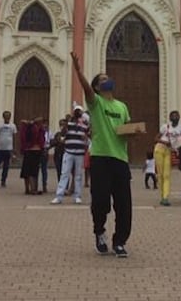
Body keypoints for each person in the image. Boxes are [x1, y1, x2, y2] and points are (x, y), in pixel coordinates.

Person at [71, 51, 132, 258]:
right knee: (100, 201)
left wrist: (133, 132)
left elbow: (124, 129)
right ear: (97, 87)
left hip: (121, 159)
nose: (108, 81)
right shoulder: (95, 102)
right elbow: (86, 89)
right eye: (103, 80)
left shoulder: (122, 106)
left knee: (124, 203)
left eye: (108, 78)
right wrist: (79, 72)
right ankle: (99, 232)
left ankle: (120, 242)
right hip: (100, 157)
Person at [51, 104, 89, 204]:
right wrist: (68, 122)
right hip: (69, 152)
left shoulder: (85, 125)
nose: (77, 113)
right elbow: (63, 134)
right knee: (64, 174)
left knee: (78, 175)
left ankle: (77, 196)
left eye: (79, 112)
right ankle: (59, 196)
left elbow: (89, 135)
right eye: (76, 111)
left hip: (80, 153)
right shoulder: (69, 124)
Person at [154, 110, 181, 206]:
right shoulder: (165, 127)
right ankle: (162, 195)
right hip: (159, 149)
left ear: (179, 117)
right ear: (170, 118)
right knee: (160, 174)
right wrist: (165, 142)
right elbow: (155, 139)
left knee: (167, 175)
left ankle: (165, 197)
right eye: (173, 116)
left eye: (176, 115)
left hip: (169, 151)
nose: (175, 117)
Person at [0, 110, 17, 187]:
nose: (7, 117)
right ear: (3, 117)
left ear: (10, 117)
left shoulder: (13, 126)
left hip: (8, 149)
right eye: (5, 116)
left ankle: (3, 181)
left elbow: (14, 137)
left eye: (8, 116)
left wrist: (14, 149)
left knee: (6, 166)